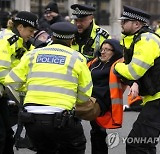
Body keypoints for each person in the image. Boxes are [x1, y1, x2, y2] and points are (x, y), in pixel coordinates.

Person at [4, 21, 93, 154]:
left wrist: (25, 98)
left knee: (44, 150)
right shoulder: (77, 59)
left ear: (52, 37)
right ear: (72, 40)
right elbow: (85, 94)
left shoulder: (32, 55)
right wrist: (73, 102)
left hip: (32, 118)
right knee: (76, 146)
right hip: (62, 119)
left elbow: (11, 82)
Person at [114, 5, 160, 154]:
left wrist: (115, 67)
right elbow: (143, 68)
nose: (121, 24)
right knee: (145, 143)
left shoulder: (146, 41)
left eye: (125, 21)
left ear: (137, 24)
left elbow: (133, 71)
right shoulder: (137, 38)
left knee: (137, 143)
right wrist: (135, 83)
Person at [0, 11, 38, 154]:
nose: (32, 34)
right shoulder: (6, 41)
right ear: (20, 27)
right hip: (4, 91)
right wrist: (18, 90)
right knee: (1, 136)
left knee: (8, 135)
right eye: (30, 31)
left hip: (3, 95)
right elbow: (2, 71)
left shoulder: (21, 42)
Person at [88, 39, 124, 154]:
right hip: (89, 98)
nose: (103, 52)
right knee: (96, 131)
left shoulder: (119, 65)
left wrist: (135, 84)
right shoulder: (94, 62)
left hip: (102, 102)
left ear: (115, 52)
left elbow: (131, 77)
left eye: (107, 50)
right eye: (102, 49)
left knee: (98, 131)